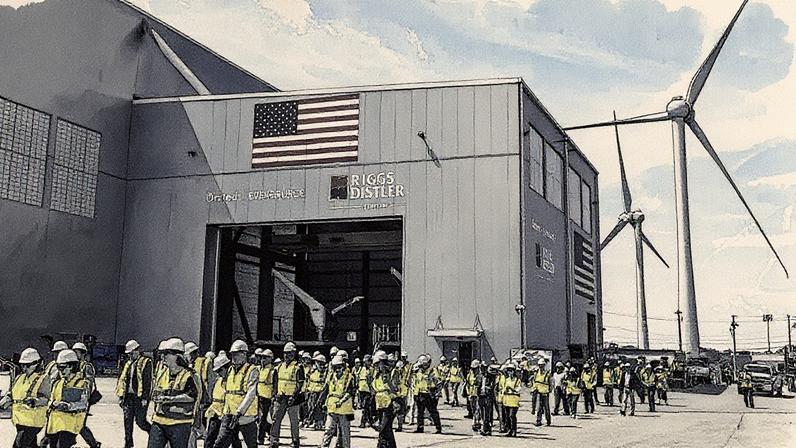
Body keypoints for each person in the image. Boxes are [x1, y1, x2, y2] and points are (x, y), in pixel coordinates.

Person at [148, 338, 198, 448]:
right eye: (162, 354)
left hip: (179, 423)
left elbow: (192, 397)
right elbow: (156, 391)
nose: (163, 357)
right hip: (159, 420)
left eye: (167, 354)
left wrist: (170, 399)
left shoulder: (189, 375)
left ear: (177, 356)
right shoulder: (162, 373)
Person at [0, 348, 51, 448]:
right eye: (23, 365)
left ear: (36, 364)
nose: (25, 368)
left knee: (19, 445)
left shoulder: (43, 378)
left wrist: (35, 401)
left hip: (33, 421)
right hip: (20, 420)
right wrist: (7, 398)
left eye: (28, 365)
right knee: (31, 445)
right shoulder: (20, 377)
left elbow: (46, 398)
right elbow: (13, 392)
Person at [213, 340, 259, 447]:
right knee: (220, 443)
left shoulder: (252, 370)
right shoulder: (230, 370)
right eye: (232, 354)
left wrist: (240, 412)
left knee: (251, 444)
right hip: (229, 414)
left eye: (236, 354)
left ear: (244, 354)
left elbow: (251, 394)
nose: (234, 357)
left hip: (246, 415)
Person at [45, 349, 90, 448]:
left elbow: (83, 403)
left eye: (62, 368)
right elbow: (51, 399)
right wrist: (52, 404)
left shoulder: (81, 383)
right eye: (58, 368)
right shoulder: (58, 383)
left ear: (71, 366)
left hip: (69, 425)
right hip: (55, 425)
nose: (60, 371)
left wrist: (68, 406)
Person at [116, 340, 153, 448]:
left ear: (137, 351)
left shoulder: (146, 362)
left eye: (132, 353)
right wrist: (121, 397)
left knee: (140, 422)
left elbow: (147, 381)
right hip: (128, 397)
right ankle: (128, 443)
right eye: (129, 354)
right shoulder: (127, 363)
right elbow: (122, 380)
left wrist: (145, 398)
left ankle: (154, 434)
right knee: (127, 421)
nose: (130, 356)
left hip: (140, 397)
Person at [270, 342, 305, 448]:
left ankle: (295, 441)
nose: (287, 355)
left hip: (292, 398)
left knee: (294, 421)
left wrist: (294, 396)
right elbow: (275, 382)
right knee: (276, 419)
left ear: (294, 354)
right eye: (285, 353)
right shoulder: (279, 367)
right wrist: (274, 394)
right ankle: (274, 441)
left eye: (290, 353)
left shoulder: (298, 367)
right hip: (280, 397)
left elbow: (300, 383)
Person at [204, 354, 240, 448]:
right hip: (215, 413)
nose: (218, 373)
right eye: (216, 371)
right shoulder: (218, 380)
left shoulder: (232, 382)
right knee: (209, 439)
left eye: (220, 370)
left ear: (227, 368)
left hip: (227, 414)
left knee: (228, 440)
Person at [321, 355, 355, 448]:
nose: (337, 370)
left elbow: (350, 392)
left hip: (345, 409)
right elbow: (326, 389)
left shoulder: (349, 377)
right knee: (328, 430)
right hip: (332, 407)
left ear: (343, 367)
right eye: (335, 367)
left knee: (345, 433)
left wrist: (341, 401)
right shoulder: (331, 376)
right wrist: (323, 402)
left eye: (339, 367)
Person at [72, 342, 102, 448]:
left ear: (83, 353)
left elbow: (88, 384)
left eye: (77, 352)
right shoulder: (74, 365)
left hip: (84, 400)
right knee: (75, 423)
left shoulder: (87, 366)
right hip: (74, 398)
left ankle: (93, 443)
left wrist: (85, 399)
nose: (75, 354)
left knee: (80, 424)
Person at [184, 341, 209, 448]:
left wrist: (205, 401)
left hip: (200, 400)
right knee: (194, 425)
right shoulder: (190, 365)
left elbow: (207, 383)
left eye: (188, 354)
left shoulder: (203, 363)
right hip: (194, 400)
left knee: (195, 425)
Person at [371, 350, 398, 448]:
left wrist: (395, 401)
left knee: (384, 428)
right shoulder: (377, 375)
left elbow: (392, 389)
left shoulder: (387, 374)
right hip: (380, 405)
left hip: (389, 405)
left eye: (377, 364)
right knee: (387, 430)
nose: (376, 367)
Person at [412, 355, 442, 434]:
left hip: (429, 394)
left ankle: (438, 427)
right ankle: (420, 428)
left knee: (433, 412)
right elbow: (416, 383)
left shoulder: (432, 371)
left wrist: (436, 393)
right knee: (420, 412)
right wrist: (415, 394)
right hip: (419, 394)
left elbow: (439, 382)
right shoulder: (418, 371)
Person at [256, 349, 275, 444]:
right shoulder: (259, 369)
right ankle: (269, 432)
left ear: (270, 359)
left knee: (263, 418)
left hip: (267, 397)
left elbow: (275, 384)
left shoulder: (273, 370)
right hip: (259, 396)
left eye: (265, 358)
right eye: (262, 357)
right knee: (260, 418)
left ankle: (261, 437)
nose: (263, 359)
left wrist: (274, 396)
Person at [304, 353, 327, 430]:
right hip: (312, 390)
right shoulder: (312, 370)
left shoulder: (324, 371)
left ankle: (319, 423)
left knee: (319, 407)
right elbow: (308, 379)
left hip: (320, 391)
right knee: (311, 406)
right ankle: (312, 421)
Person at [501, 363, 521, 437]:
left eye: (511, 370)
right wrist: (505, 390)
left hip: (514, 400)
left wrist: (511, 389)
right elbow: (503, 389)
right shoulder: (507, 380)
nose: (510, 372)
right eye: (509, 370)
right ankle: (509, 430)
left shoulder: (517, 380)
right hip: (507, 400)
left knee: (512, 415)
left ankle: (514, 430)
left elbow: (518, 389)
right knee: (507, 416)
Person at [478, 363, 497, 436]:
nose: (482, 370)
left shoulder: (491, 377)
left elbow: (492, 387)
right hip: (481, 396)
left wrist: (486, 388)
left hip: (488, 397)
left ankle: (487, 429)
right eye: (481, 368)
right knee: (482, 414)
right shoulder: (480, 376)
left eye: (484, 368)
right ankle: (484, 428)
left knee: (487, 414)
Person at [533, 359, 552, 427]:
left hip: (545, 392)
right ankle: (538, 421)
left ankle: (548, 420)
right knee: (539, 407)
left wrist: (550, 389)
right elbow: (535, 382)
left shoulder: (547, 373)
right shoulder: (536, 373)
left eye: (542, 365)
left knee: (546, 407)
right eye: (539, 365)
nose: (540, 367)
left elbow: (550, 382)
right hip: (538, 392)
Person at [464, 360, 481, 431]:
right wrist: (468, 393)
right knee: (473, 409)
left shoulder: (480, 375)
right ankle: (476, 421)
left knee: (477, 409)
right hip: (471, 394)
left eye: (475, 368)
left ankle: (476, 423)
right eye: (473, 368)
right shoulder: (469, 375)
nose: (474, 370)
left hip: (478, 394)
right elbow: (467, 384)